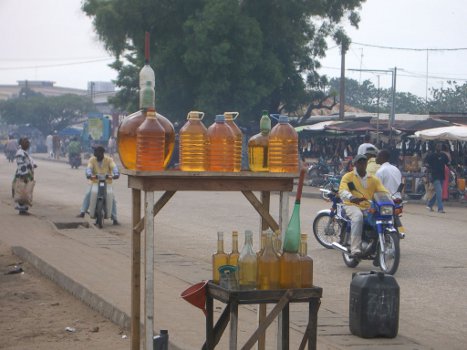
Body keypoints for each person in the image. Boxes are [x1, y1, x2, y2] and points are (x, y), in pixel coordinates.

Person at [338, 154, 388, 257]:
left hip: (368, 206)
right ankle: (355, 249)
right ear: (355, 164)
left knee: (381, 217)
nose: (362, 164)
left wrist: (392, 198)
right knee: (358, 217)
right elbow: (342, 190)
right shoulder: (348, 177)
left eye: (364, 162)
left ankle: (376, 244)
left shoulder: (373, 179)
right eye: (359, 162)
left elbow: (383, 191)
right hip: (351, 204)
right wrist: (351, 197)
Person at [77, 146, 120, 224]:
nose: (95, 153)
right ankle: (82, 212)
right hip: (95, 182)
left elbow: (114, 167)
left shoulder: (109, 160)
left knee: (112, 198)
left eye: (96, 151)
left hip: (107, 182)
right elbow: (89, 168)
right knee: (88, 193)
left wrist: (116, 174)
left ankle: (114, 218)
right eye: (95, 152)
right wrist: (89, 174)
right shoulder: (92, 160)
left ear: (101, 153)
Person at [376, 149, 406, 235]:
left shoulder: (380, 171)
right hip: (397, 201)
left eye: (378, 156)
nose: (376, 158)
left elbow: (377, 188)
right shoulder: (396, 169)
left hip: (385, 201)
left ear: (382, 158)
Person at [13, 138, 37, 215]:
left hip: (26, 175)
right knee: (22, 191)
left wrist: (33, 165)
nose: (28, 145)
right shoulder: (20, 153)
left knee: (25, 191)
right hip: (23, 175)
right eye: (27, 143)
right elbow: (21, 165)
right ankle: (22, 210)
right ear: (23, 144)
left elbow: (28, 161)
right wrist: (24, 176)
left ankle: (24, 209)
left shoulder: (23, 152)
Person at [424, 142, 450, 213]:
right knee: (439, 192)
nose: (439, 147)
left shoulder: (444, 155)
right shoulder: (431, 155)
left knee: (438, 192)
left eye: (440, 146)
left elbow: (448, 164)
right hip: (435, 176)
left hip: (442, 176)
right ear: (435, 147)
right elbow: (426, 164)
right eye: (438, 145)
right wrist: (427, 175)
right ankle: (440, 208)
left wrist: (455, 173)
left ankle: (429, 205)